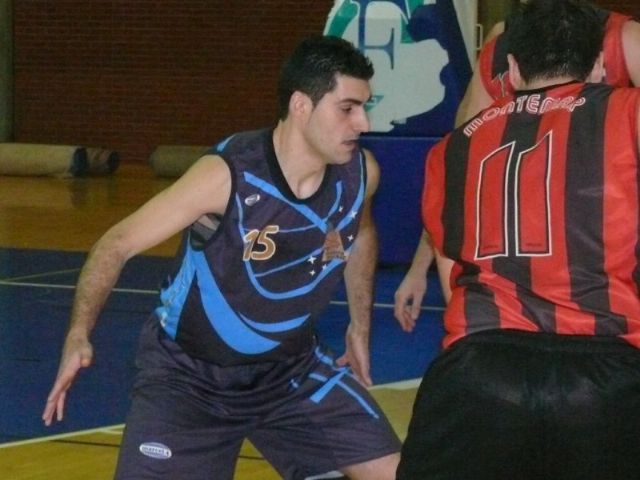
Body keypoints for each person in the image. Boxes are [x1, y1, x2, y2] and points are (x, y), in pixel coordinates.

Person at [42, 35, 401, 480]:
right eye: (348, 108)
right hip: (190, 381)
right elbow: (116, 243)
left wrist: (359, 326)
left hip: (291, 372)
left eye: (365, 106)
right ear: (301, 105)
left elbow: (360, 234)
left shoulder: (361, 173)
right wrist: (78, 333)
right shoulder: (227, 175)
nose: (363, 122)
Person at [397, 0, 640, 478]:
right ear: (598, 65)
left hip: (478, 373)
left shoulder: (452, 148)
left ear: (509, 69)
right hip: (605, 372)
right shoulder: (628, 114)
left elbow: (452, 268)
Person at [394, 0, 640, 330]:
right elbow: (461, 184)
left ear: (513, 71)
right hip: (597, 325)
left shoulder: (625, 40)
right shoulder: (502, 43)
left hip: (493, 331)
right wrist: (417, 267)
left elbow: (455, 177)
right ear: (598, 67)